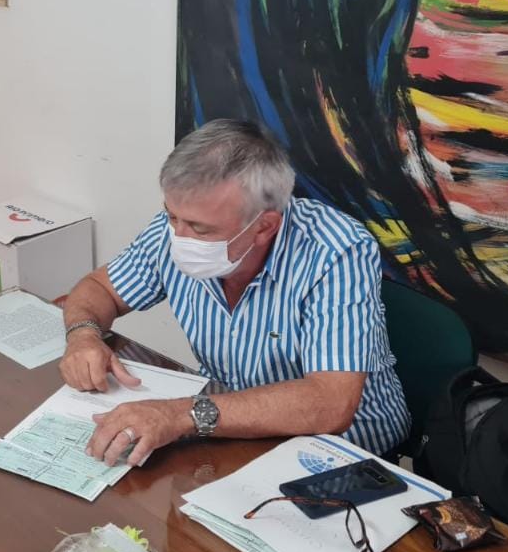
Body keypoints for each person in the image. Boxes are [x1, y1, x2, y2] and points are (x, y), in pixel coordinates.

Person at [60, 119, 410, 467]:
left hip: (343, 453)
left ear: (264, 226)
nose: (179, 237)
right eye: (172, 217)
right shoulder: (178, 226)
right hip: (229, 430)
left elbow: (330, 403)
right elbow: (99, 288)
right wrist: (83, 336)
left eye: (200, 229)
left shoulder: (336, 250)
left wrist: (178, 415)